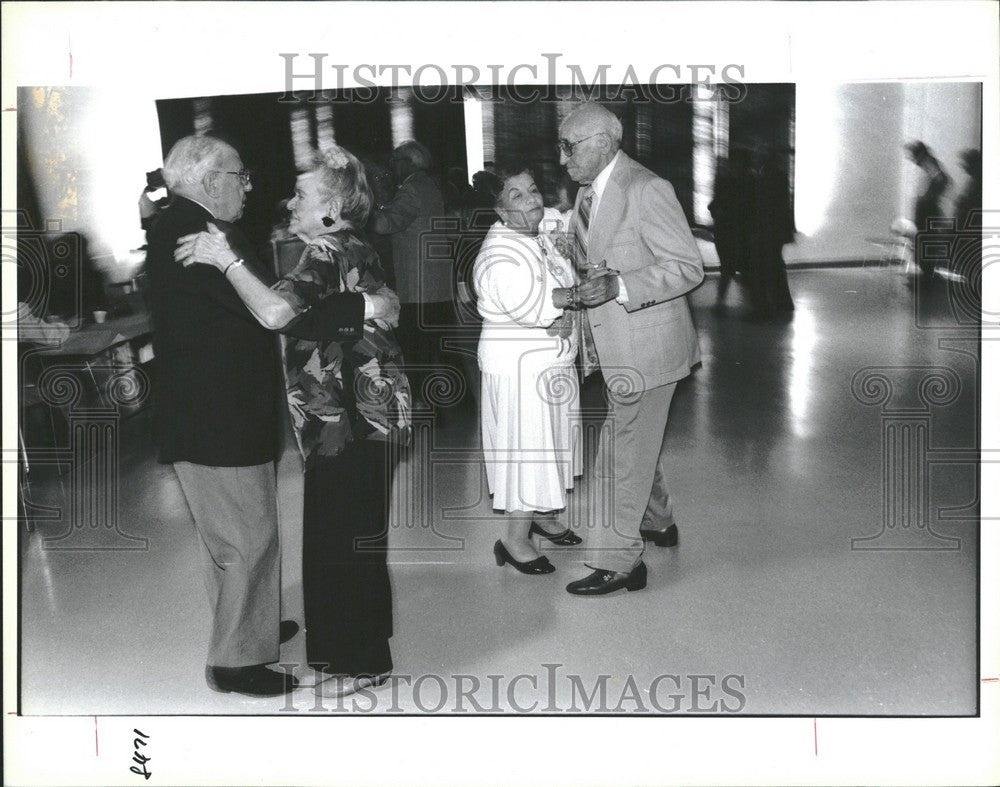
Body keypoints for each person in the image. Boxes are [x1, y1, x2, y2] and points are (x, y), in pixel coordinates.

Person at [148, 135, 395, 698]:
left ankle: (250, 627)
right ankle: (237, 660)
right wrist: (369, 305)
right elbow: (273, 311)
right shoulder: (198, 230)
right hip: (216, 415)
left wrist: (366, 302)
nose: (252, 187)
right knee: (245, 539)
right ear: (212, 181)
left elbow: (277, 306)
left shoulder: (191, 224)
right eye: (242, 175)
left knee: (239, 537)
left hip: (227, 411)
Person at [558, 103, 704, 596]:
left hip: (648, 349)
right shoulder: (588, 191)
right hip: (615, 346)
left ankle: (620, 561)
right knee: (638, 442)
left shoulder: (647, 189)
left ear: (604, 141)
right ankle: (658, 521)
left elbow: (688, 267)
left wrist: (621, 284)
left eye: (569, 146)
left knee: (622, 452)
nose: (563, 159)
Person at [473, 165, 583, 575]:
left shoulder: (535, 232)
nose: (533, 200)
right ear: (499, 211)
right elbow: (534, 307)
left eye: (533, 189)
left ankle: (540, 514)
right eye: (517, 196)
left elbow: (563, 222)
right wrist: (576, 295)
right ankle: (514, 539)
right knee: (527, 450)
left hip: (548, 362)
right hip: (521, 368)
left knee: (550, 444)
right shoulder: (499, 254)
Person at [372, 140, 451, 402]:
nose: (393, 167)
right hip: (437, 282)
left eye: (396, 162)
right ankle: (459, 404)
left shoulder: (410, 190)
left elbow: (385, 224)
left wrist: (366, 209)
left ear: (409, 163)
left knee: (416, 351)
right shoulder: (430, 186)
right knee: (440, 349)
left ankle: (426, 406)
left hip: (417, 285)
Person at [746, 147, 795, 320]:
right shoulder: (777, 175)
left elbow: (765, 207)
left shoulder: (767, 177)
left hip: (768, 230)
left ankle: (766, 308)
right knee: (774, 265)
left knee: (764, 267)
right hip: (775, 230)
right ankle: (781, 303)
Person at [904, 140, 951, 277]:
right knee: (926, 236)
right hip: (927, 207)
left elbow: (942, 180)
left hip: (927, 208)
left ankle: (927, 267)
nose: (912, 160)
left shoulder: (928, 162)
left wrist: (928, 198)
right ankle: (927, 267)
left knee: (925, 236)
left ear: (919, 153)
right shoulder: (928, 162)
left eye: (913, 155)